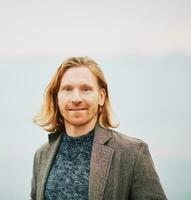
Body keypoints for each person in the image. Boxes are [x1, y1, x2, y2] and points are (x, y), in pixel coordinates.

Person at [31, 57, 167, 200]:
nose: (76, 98)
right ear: (57, 98)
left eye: (86, 89)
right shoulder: (42, 155)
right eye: (67, 89)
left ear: (101, 96)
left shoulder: (133, 153)